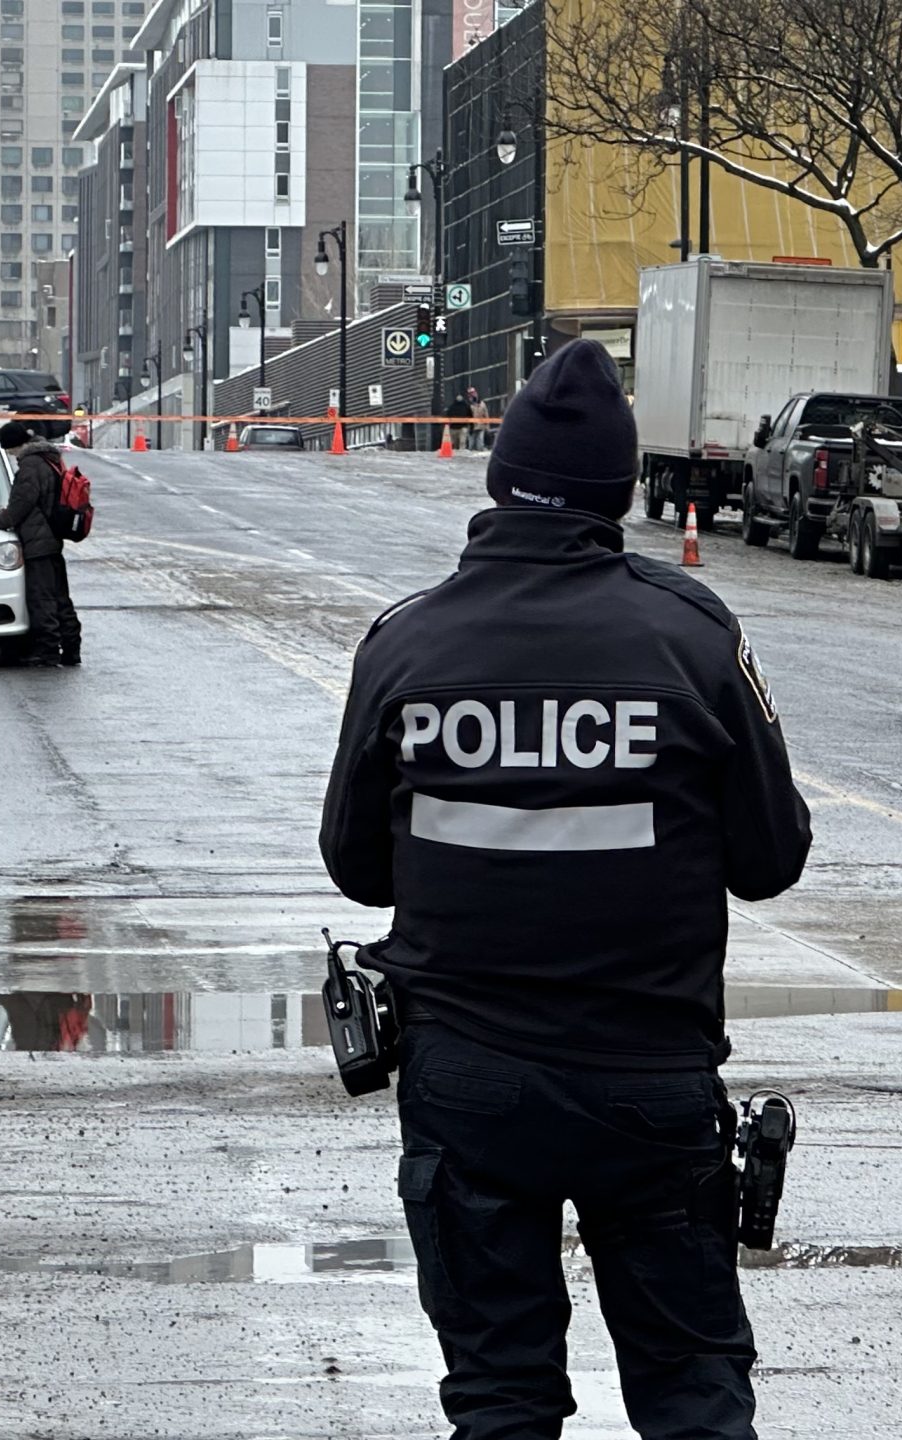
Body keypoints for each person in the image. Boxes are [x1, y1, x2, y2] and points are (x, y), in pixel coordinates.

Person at [320, 339, 813, 1440]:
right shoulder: (691, 636)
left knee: (500, 1398)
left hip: (469, 1083)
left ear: (500, 478)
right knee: (691, 1391)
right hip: (648, 1078)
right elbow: (772, 860)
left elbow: (354, 868)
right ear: (619, 491)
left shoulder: (406, 643)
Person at [0, 420, 80, 666]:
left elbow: (22, 503)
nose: (9, 455)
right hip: (52, 537)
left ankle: (48, 651)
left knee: (41, 597)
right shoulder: (49, 458)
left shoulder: (30, 466)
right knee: (60, 596)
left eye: (9, 450)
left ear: (15, 445)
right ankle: (72, 648)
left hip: (37, 541)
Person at [466, 385, 489, 451]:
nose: (472, 395)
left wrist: (487, 426)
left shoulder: (482, 404)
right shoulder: (468, 405)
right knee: (471, 444)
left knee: (480, 444)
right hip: (471, 427)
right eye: (470, 393)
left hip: (481, 426)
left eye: (473, 393)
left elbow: (486, 415)